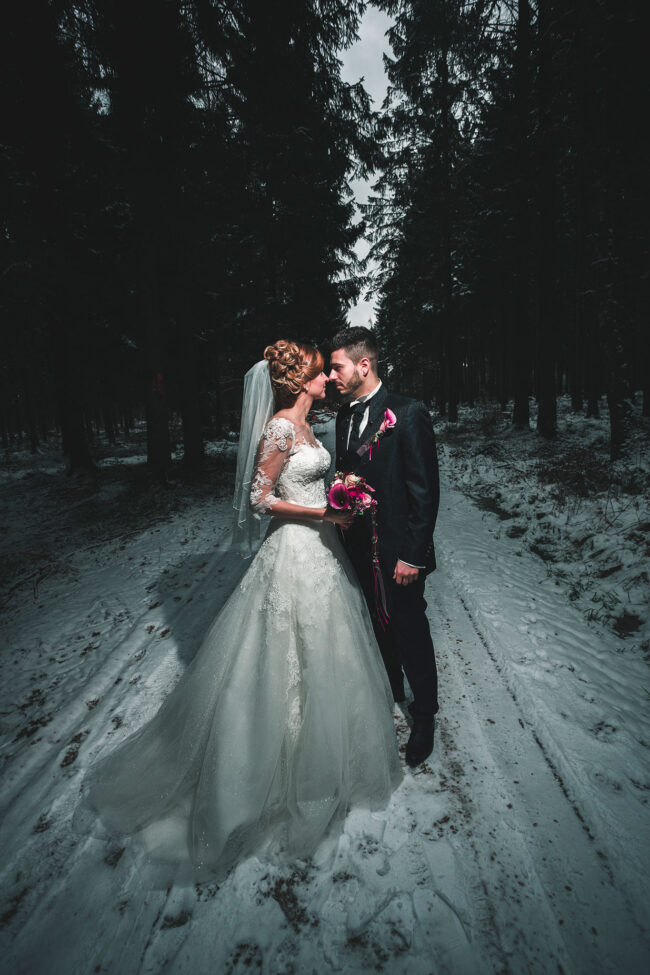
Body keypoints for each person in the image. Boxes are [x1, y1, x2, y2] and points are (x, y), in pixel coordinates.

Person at [79, 340, 402, 880]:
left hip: (324, 550)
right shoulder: (279, 427)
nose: (328, 379)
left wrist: (340, 492)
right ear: (300, 380)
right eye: (320, 372)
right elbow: (258, 498)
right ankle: (263, 771)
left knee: (328, 650)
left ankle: (324, 758)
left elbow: (307, 479)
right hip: (293, 548)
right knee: (280, 655)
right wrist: (322, 513)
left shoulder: (309, 426)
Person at [329, 327, 440, 768]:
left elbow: (425, 494)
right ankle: (390, 687)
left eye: (336, 367)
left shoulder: (407, 413)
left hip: (400, 551)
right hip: (358, 545)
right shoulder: (343, 416)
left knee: (409, 627)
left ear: (364, 365)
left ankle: (425, 715)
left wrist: (413, 555)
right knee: (376, 623)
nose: (331, 376)